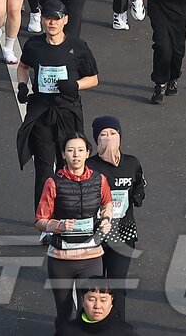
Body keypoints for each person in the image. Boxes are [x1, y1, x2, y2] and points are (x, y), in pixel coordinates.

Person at [17, 0, 99, 207]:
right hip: (42, 114)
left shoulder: (78, 47)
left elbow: (94, 78)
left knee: (70, 166)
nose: (52, 23)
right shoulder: (34, 45)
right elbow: (23, 66)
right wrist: (22, 86)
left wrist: (75, 85)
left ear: (65, 20)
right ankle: (44, 220)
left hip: (68, 113)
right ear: (43, 20)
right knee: (44, 170)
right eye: (48, 18)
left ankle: (70, 212)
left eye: (57, 18)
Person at [35, 133, 113, 323]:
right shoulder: (53, 183)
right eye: (70, 151)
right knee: (64, 312)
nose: (75, 155)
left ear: (87, 153)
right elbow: (40, 220)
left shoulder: (99, 180)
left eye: (80, 150)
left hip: (91, 257)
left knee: (91, 310)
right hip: (61, 259)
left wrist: (106, 218)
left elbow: (107, 204)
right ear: (63, 154)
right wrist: (58, 225)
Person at [87, 117, 146, 323]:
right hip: (94, 234)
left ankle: (117, 325)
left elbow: (139, 185)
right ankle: (90, 326)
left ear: (120, 136)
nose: (109, 139)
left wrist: (136, 198)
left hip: (123, 232)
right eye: (103, 135)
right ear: (96, 140)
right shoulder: (90, 166)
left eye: (113, 134)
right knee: (92, 287)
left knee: (117, 285)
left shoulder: (132, 163)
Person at [54, 281, 140, 335]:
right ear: (82, 301)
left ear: (111, 301)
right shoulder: (66, 332)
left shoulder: (126, 332)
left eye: (103, 300)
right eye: (92, 299)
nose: (97, 306)